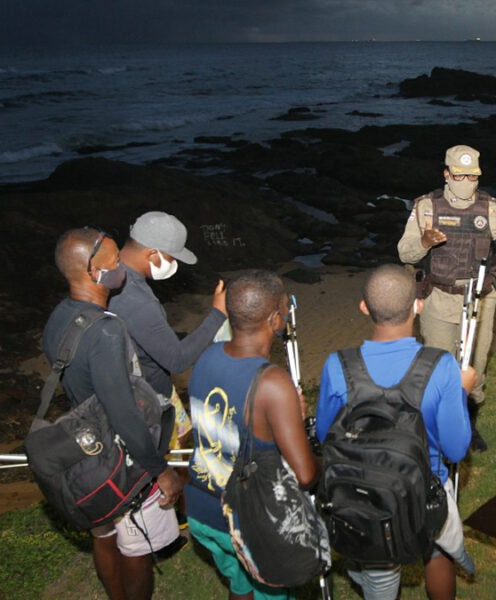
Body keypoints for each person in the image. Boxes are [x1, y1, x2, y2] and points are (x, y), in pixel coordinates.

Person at [315, 264, 476, 600]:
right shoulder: (442, 366)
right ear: (418, 304)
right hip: (426, 489)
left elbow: (323, 435)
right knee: (438, 551)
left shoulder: (337, 365)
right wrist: (461, 392)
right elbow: (456, 449)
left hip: (362, 493)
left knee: (378, 569)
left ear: (363, 307)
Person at [43, 227, 183, 600]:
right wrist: (159, 469)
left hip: (83, 447)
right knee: (136, 547)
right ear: (93, 272)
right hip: (116, 456)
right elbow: (123, 412)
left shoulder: (61, 316)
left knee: (103, 534)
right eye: (115, 262)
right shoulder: (106, 331)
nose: (122, 267)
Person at [186, 269, 318, 600]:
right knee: (268, 589)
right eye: (286, 307)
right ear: (275, 319)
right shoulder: (273, 382)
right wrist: (295, 420)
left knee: (241, 583)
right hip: (246, 521)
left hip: (202, 508)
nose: (288, 312)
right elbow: (305, 475)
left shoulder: (206, 357)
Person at [397, 144, 496, 452]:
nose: (466, 181)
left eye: (472, 176)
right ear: (446, 174)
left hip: (481, 300)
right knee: (438, 365)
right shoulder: (426, 207)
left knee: (475, 366)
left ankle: (469, 423)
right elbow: (404, 252)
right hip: (439, 298)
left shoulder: (492, 208)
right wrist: (425, 242)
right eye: (459, 175)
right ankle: (437, 426)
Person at [109, 211, 228, 450]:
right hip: (149, 402)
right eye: (171, 257)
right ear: (152, 253)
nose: (173, 264)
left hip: (141, 385)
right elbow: (177, 359)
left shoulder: (110, 275)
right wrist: (218, 314)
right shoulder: (136, 300)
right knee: (171, 462)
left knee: (183, 443)